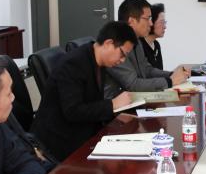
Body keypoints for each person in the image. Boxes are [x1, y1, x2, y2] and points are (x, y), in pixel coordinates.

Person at [33, 21, 138, 162]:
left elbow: (92, 103)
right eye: (122, 54)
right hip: (59, 144)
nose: (123, 60)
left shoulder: (97, 61)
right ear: (108, 43)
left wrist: (118, 115)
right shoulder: (74, 64)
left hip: (81, 133)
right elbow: (73, 111)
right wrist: (112, 105)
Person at [104, 0, 189, 97]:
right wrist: (170, 81)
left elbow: (147, 70)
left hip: (134, 99)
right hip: (116, 104)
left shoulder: (136, 40)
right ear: (131, 21)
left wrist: (171, 75)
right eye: (148, 19)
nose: (151, 23)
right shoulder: (115, 45)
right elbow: (133, 85)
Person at [141, 2, 165, 70]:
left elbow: (160, 72)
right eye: (161, 22)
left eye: (164, 22)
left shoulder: (156, 45)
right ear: (151, 22)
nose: (165, 27)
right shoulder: (139, 45)